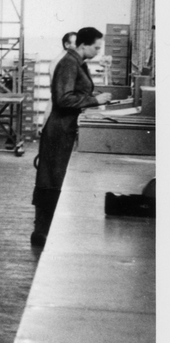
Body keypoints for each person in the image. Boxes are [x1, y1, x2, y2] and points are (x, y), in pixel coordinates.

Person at [30, 26, 112, 247]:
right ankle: (41, 231)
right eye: (96, 47)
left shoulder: (78, 62)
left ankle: (46, 230)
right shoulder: (69, 63)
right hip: (59, 130)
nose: (98, 51)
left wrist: (93, 96)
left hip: (65, 128)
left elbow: (76, 91)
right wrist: (95, 100)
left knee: (55, 179)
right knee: (51, 180)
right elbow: (63, 99)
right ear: (83, 45)